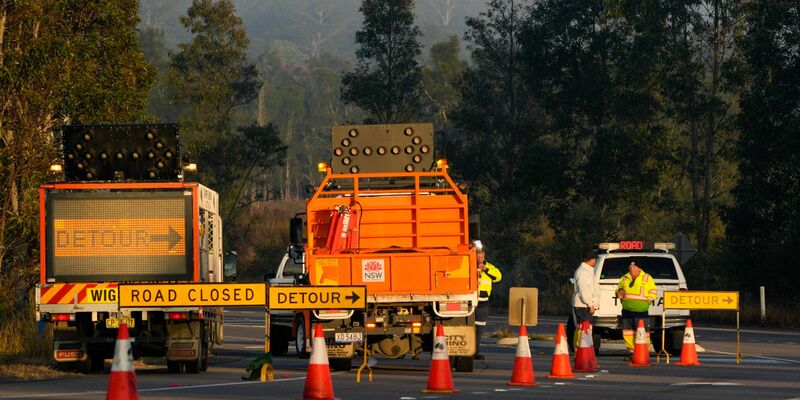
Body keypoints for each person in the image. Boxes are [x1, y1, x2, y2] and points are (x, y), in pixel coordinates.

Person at [615, 260, 658, 354]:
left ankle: (642, 352)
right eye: (630, 266)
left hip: (641, 311)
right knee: (628, 332)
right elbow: (618, 290)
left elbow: (653, 292)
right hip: (627, 310)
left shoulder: (647, 277)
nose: (631, 268)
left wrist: (647, 302)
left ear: (639, 268)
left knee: (643, 332)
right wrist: (619, 294)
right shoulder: (624, 278)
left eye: (634, 266)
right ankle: (632, 352)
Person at [473, 240, 502, 360]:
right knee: (469, 327)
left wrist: (485, 269)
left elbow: (498, 277)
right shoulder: (466, 266)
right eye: (477, 254)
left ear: (484, 255)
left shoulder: (489, 267)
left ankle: (476, 352)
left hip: (483, 302)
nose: (479, 256)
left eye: (481, 254)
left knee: (479, 329)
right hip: (470, 300)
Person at [571, 249, 599, 347]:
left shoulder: (585, 271)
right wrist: (590, 304)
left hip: (583, 305)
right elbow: (584, 290)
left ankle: (580, 350)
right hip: (583, 306)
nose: (595, 261)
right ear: (591, 260)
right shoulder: (584, 272)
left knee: (582, 329)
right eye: (594, 259)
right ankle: (580, 350)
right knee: (584, 329)